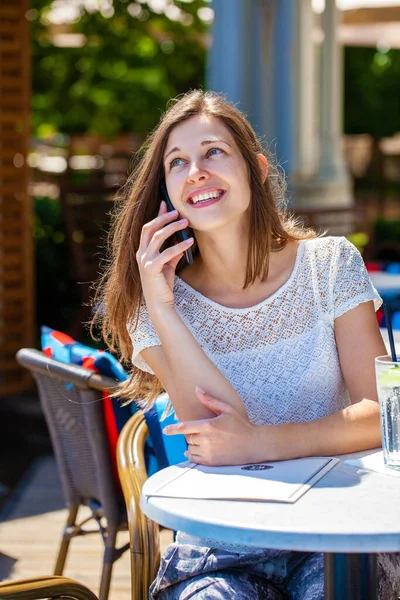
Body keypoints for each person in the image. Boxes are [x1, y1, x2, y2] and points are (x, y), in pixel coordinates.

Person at [93, 90, 400, 599]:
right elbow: (213, 433)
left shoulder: (329, 265)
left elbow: (382, 415)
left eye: (213, 152)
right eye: (178, 162)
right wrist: (165, 309)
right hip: (219, 544)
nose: (196, 171)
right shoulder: (153, 304)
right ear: (167, 190)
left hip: (336, 532)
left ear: (256, 168)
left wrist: (262, 443)